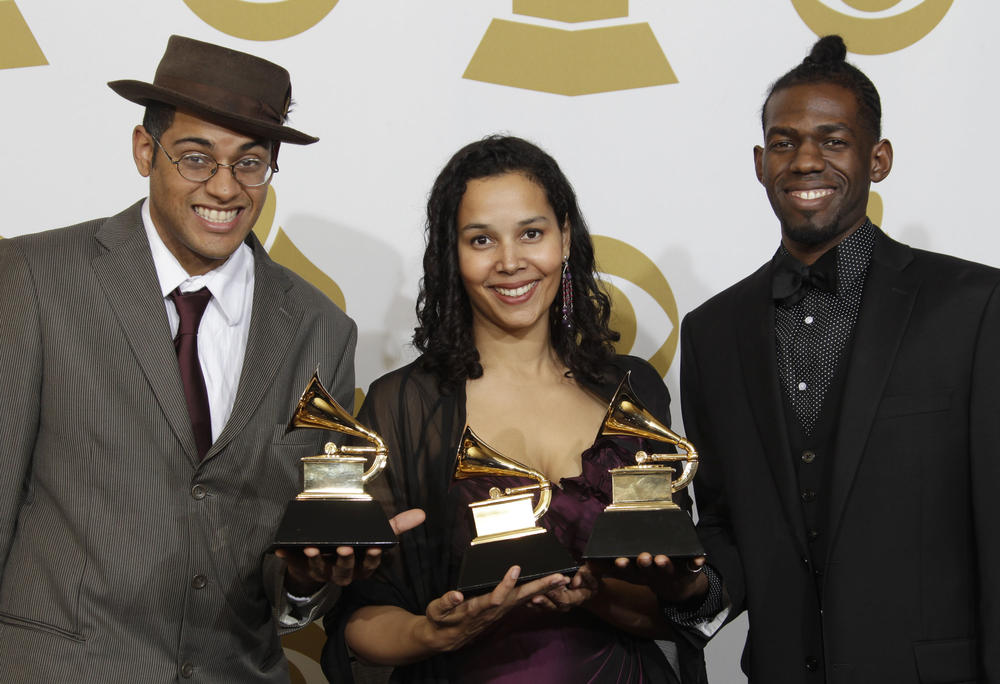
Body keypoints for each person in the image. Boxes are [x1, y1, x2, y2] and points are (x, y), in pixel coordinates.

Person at [0, 35, 421, 682]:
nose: (224, 188)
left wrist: (309, 578)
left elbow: (294, 572)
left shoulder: (320, 330)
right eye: (197, 158)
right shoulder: (34, 276)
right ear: (146, 151)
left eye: (250, 164)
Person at [322, 135, 707, 683]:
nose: (510, 262)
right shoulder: (405, 407)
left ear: (565, 236)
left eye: (531, 233)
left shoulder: (634, 390)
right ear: (452, 255)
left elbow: (679, 605)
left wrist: (595, 595)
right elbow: (359, 619)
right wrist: (432, 634)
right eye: (481, 240)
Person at [676, 35, 1000, 682]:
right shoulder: (711, 333)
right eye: (784, 142)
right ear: (760, 162)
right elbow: (723, 524)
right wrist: (688, 586)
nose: (804, 161)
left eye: (832, 139)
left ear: (877, 159)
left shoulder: (974, 307)